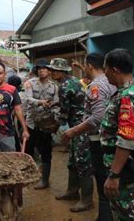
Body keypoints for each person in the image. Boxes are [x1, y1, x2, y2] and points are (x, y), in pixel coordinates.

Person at [63, 53, 116, 220]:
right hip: (109, 138)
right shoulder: (111, 81)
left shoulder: (96, 86)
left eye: (84, 66)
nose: (83, 69)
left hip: (97, 138)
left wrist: (74, 131)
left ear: (90, 66)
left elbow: (97, 117)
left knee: (99, 178)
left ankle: (104, 216)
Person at [101, 49, 134, 220]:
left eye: (105, 69)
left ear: (115, 70)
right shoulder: (122, 92)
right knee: (120, 210)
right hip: (119, 163)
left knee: (128, 213)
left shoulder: (128, 97)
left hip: (124, 166)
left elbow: (126, 140)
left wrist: (114, 175)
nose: (104, 73)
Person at [49, 58, 93, 212]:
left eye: (54, 70)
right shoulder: (74, 80)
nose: (51, 72)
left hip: (80, 127)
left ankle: (87, 200)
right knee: (73, 159)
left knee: (82, 161)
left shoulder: (64, 87)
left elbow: (64, 114)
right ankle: (72, 191)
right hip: (81, 124)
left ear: (61, 71)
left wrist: (54, 127)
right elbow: (73, 100)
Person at [23, 59, 59, 190]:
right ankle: (27, 177)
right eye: (39, 69)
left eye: (44, 69)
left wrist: (55, 119)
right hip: (31, 123)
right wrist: (41, 102)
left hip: (46, 124)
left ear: (49, 71)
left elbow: (56, 104)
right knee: (28, 151)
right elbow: (28, 99)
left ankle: (44, 180)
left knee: (46, 152)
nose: (41, 71)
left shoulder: (54, 87)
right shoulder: (30, 84)